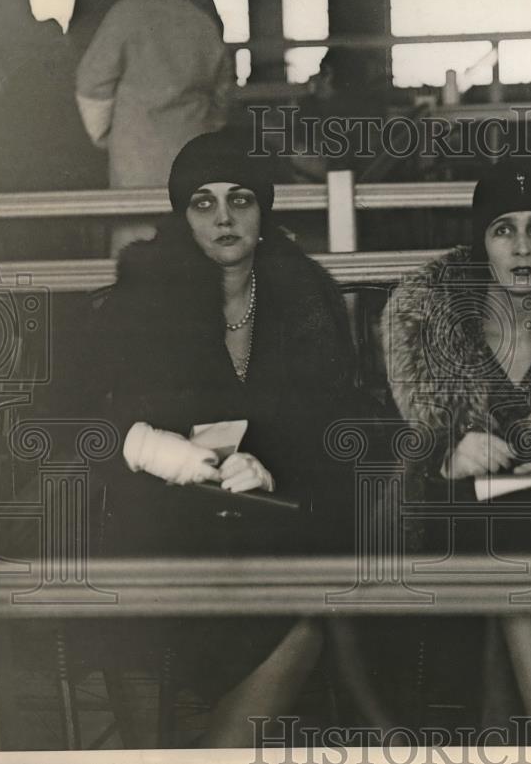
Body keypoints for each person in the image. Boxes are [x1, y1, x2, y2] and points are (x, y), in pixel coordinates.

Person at [85, 128, 359, 746]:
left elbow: (342, 433)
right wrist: (153, 449)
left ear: (265, 210)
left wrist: (274, 469)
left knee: (305, 608)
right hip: (162, 533)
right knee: (133, 611)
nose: (225, 217)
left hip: (270, 530)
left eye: (241, 199)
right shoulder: (141, 294)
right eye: (202, 202)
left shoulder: (303, 293)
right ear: (183, 216)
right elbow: (75, 424)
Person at [380, 162, 531, 739]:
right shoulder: (427, 324)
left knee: (525, 533)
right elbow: (389, 449)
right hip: (452, 522)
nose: (521, 247)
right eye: (503, 230)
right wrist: (444, 452)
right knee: (510, 538)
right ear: (481, 244)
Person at [75, 0, 233, 252]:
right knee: (191, 234)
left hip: (135, 152)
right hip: (193, 147)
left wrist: (103, 135)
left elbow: (91, 84)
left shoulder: (124, 14)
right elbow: (223, 92)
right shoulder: (200, 20)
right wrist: (210, 126)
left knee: (138, 236)